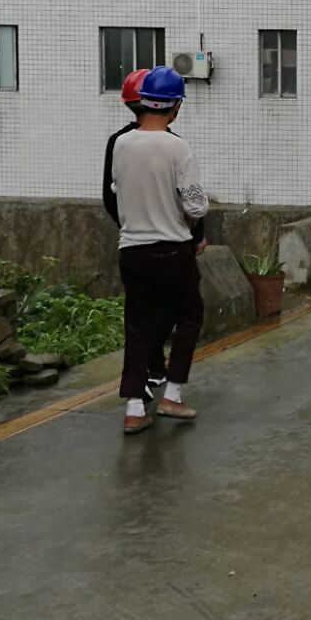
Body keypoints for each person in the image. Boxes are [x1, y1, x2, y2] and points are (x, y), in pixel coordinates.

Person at [111, 65, 208, 435]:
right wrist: (191, 215)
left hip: (132, 250)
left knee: (137, 326)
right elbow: (195, 204)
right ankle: (173, 395)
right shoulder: (177, 147)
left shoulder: (121, 144)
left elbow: (117, 189)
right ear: (175, 105)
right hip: (172, 249)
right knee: (189, 317)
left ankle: (134, 408)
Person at [102, 69, 170, 396]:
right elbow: (185, 195)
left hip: (132, 243)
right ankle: (149, 367)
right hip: (168, 241)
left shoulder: (118, 142)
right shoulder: (172, 143)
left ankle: (151, 369)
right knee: (171, 305)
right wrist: (196, 234)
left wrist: (129, 224)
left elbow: (109, 195)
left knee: (140, 311)